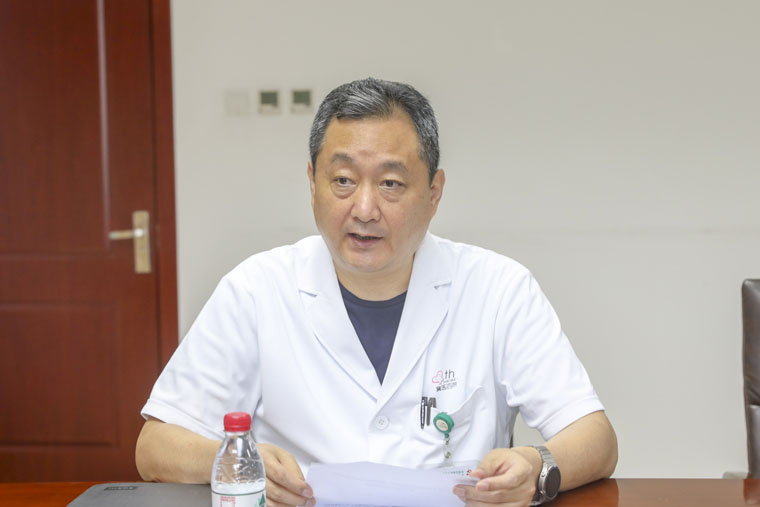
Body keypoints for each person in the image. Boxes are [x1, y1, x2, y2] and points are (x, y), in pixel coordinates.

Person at [135, 77, 617, 507]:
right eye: (343, 180)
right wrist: (240, 461)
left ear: (434, 193)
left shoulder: (499, 289)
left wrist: (537, 466)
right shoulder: (255, 290)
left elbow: (596, 439)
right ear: (312, 183)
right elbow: (155, 447)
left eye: (390, 183)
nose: (364, 209)